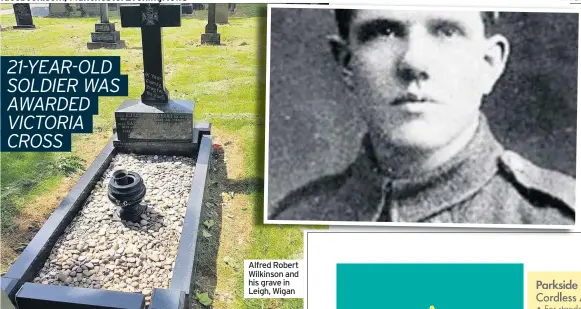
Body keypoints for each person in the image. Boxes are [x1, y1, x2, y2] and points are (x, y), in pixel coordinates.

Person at [269, 9, 576, 225]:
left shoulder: (560, 222)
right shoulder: (295, 222)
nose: (414, 61)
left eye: (447, 31)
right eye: (383, 32)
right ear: (347, 64)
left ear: (489, 64)